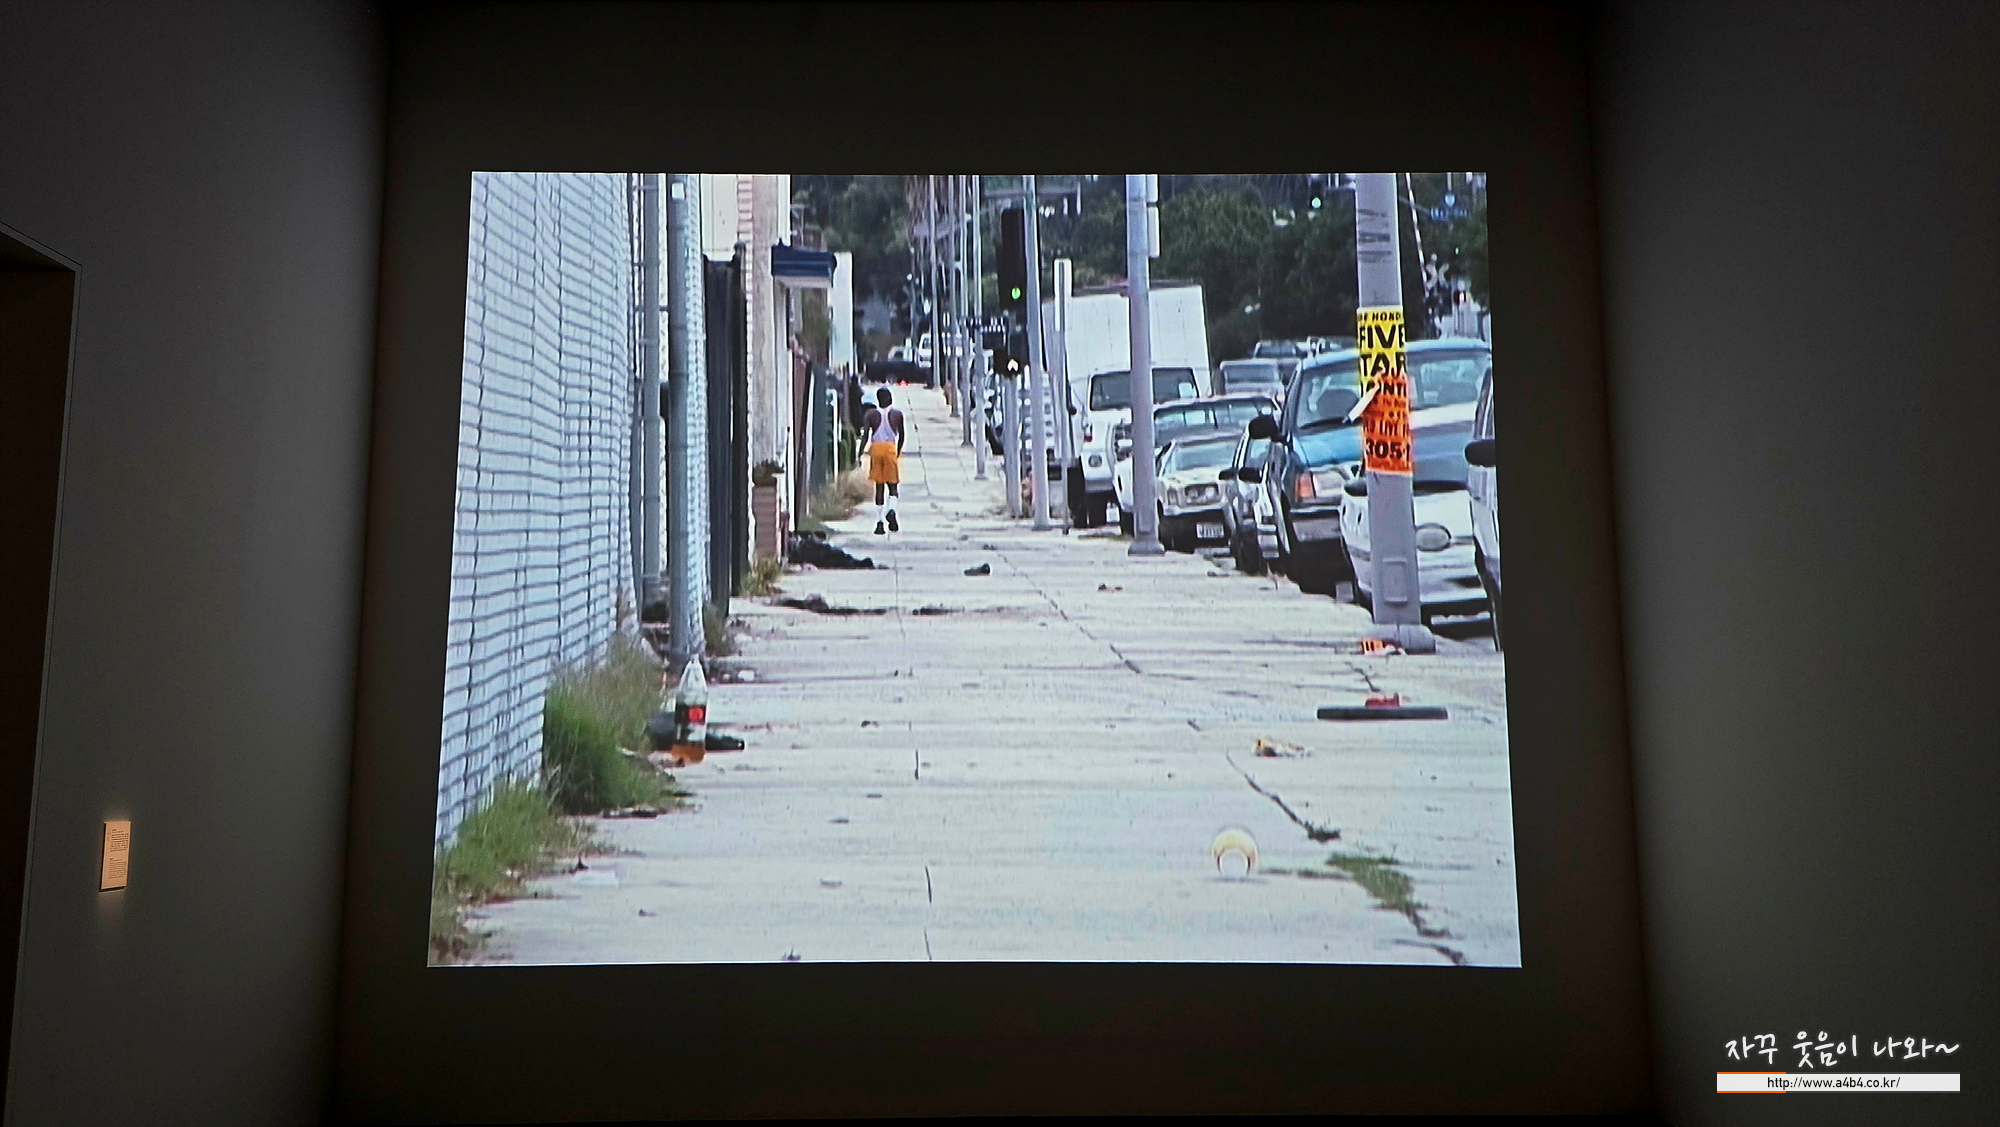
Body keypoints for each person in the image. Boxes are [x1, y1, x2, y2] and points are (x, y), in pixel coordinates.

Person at [863, 386, 906, 534]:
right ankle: (891, 510)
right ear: (890, 399)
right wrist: (897, 451)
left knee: (879, 487)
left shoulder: (871, 415)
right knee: (893, 486)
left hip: (876, 449)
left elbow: (865, 436)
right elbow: (902, 436)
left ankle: (879, 522)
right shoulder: (897, 414)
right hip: (890, 449)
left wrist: (860, 452)